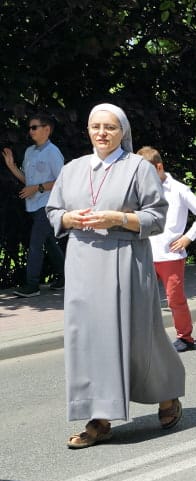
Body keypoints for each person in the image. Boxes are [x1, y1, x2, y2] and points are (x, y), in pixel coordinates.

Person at [46, 103, 185, 449]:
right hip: (82, 262)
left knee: (139, 337)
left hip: (125, 260)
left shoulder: (138, 167)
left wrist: (118, 219)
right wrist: (68, 219)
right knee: (88, 339)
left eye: (109, 127)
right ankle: (99, 417)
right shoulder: (73, 168)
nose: (102, 133)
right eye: (96, 127)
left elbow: (157, 217)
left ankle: (166, 394)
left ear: (122, 131)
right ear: (88, 130)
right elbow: (53, 211)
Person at [138, 146, 196, 352]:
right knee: (143, 299)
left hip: (171, 255)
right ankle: (147, 338)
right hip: (146, 253)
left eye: (147, 173)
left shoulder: (179, 189)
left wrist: (187, 238)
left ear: (159, 167)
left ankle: (185, 337)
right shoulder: (141, 190)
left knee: (175, 299)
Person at [2, 113, 66, 297]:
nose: (30, 131)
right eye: (30, 127)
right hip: (32, 206)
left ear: (47, 130)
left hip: (47, 206)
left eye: (34, 127)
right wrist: (12, 166)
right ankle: (65, 276)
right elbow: (27, 180)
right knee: (47, 242)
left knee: (35, 243)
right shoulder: (30, 151)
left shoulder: (53, 152)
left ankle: (32, 285)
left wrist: (37, 188)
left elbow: (62, 181)